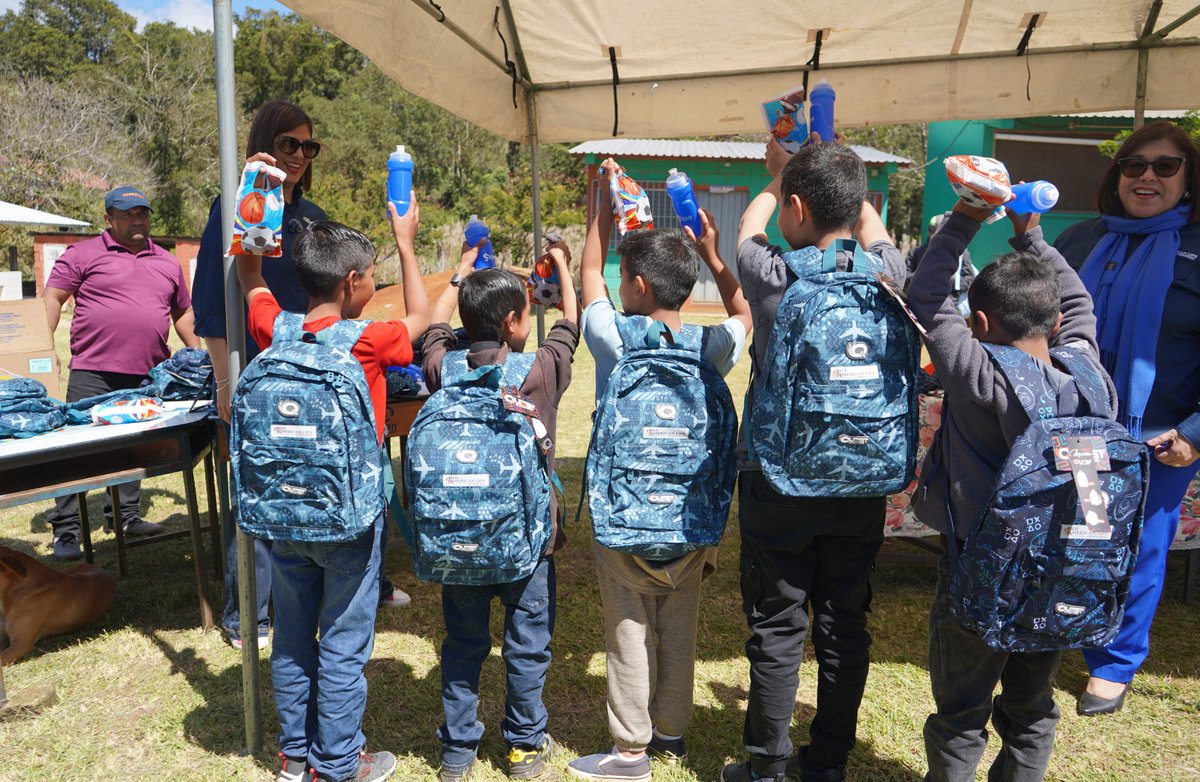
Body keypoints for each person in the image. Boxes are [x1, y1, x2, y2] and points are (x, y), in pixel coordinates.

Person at [722, 140, 908, 782]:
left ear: (796, 207)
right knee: (844, 625)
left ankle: (767, 766)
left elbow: (746, 228)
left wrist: (776, 177)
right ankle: (828, 762)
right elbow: (874, 229)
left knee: (777, 627)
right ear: (857, 206)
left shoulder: (773, 274)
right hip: (862, 477)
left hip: (778, 479)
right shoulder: (888, 272)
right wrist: (842, 195)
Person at [192, 100, 408, 651]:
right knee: (263, 485)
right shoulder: (237, 206)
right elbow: (212, 303)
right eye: (289, 143)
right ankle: (249, 614)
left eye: (309, 146)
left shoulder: (311, 215)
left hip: (323, 377)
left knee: (330, 479)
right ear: (265, 142)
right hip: (261, 374)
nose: (299, 155)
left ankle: (360, 584)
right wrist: (226, 380)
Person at [907, 199, 1110, 781]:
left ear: (980, 324)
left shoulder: (979, 375)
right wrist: (1033, 235)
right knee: (1032, 704)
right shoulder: (1092, 376)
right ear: (1055, 324)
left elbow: (926, 296)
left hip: (980, 570)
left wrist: (967, 216)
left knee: (961, 711)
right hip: (1063, 571)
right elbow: (1080, 303)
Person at [567, 159, 750, 782]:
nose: (617, 284)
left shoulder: (615, 340)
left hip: (623, 525)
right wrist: (714, 255)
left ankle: (630, 752)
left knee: (627, 634)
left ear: (638, 285)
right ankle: (671, 731)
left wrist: (601, 209)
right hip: (691, 526)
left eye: (625, 278)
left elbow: (587, 273)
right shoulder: (710, 347)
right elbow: (745, 312)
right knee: (680, 628)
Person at [235, 212, 429, 782]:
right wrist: (405, 242)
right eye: (371, 274)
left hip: (284, 515)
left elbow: (250, 277)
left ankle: (295, 758)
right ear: (351, 282)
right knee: (343, 643)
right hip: (349, 518)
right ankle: (340, 763)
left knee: (292, 636)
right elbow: (421, 318)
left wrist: (255, 217)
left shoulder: (276, 329)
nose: (374, 283)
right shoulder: (369, 339)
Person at [1053, 121, 1200, 716]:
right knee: (1080, 535)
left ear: (1188, 179)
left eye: (1166, 166)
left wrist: (1195, 435)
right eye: (1134, 165)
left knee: (1139, 549)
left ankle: (1114, 663)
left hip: (1159, 437)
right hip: (1080, 426)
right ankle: (1058, 628)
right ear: (1117, 176)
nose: (1147, 176)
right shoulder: (1081, 239)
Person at [420, 239, 579, 782]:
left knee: (463, 645)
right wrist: (561, 267)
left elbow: (434, 327)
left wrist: (461, 274)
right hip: (527, 546)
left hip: (457, 542)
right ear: (514, 322)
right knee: (527, 646)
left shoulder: (443, 369)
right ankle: (524, 746)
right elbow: (571, 324)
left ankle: (457, 751)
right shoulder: (539, 370)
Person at [43, 185, 200, 561]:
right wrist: (46, 351)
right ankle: (67, 529)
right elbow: (52, 297)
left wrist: (199, 352)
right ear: (108, 218)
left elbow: (182, 312)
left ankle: (125, 516)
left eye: (141, 213)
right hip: (92, 371)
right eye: (126, 215)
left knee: (133, 448)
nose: (136, 220)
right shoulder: (82, 254)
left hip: (147, 373)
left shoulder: (166, 262)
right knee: (75, 453)